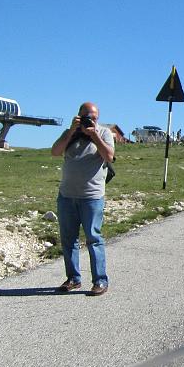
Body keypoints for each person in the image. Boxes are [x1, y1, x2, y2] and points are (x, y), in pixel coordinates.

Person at [51, 102, 115, 296]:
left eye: (94, 117)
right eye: (87, 116)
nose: (90, 120)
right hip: (67, 196)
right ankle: (73, 278)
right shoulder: (69, 133)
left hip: (91, 197)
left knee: (93, 239)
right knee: (68, 239)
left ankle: (100, 281)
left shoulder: (103, 133)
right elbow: (55, 152)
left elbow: (109, 156)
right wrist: (71, 131)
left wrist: (93, 134)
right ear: (78, 115)